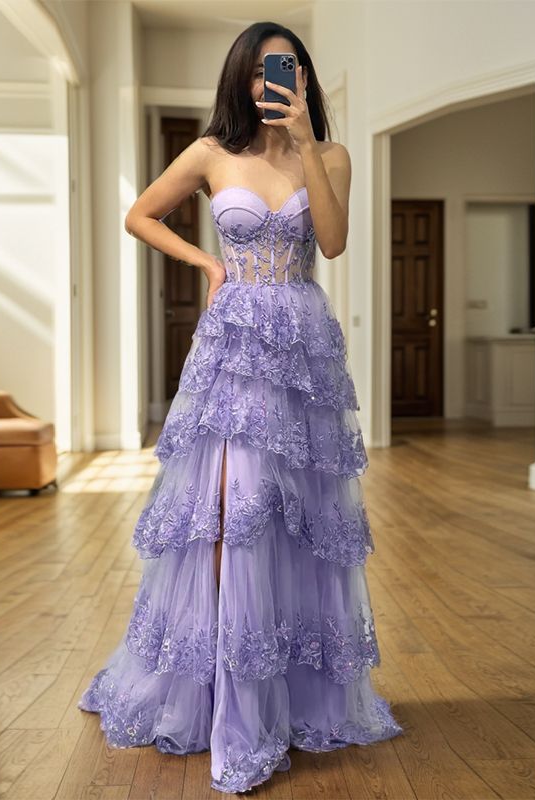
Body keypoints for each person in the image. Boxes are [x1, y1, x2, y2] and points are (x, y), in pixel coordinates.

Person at [77, 20, 404, 795]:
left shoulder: (333, 156)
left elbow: (330, 243)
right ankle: (226, 694)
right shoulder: (210, 153)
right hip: (233, 351)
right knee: (231, 512)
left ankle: (286, 695)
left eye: (282, 70)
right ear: (240, 79)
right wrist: (204, 264)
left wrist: (304, 140)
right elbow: (139, 214)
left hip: (302, 353)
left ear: (302, 77)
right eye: (258, 73)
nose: (269, 84)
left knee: (300, 518)